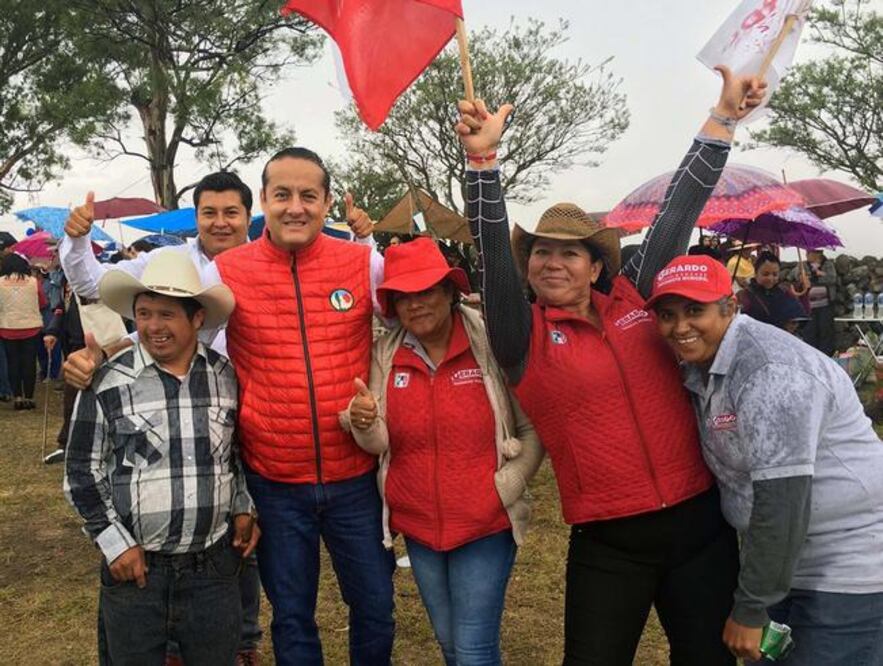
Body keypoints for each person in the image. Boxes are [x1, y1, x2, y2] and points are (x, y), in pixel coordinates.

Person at [457, 65, 766, 665]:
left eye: (569, 253)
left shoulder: (637, 297)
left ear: (597, 267)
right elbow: (492, 253)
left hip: (699, 527)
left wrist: (723, 119)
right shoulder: (522, 338)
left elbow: (678, 211)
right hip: (608, 541)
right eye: (541, 252)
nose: (552, 262)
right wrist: (483, 167)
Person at [60, 171, 267, 665]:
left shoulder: (226, 372)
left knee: (224, 634)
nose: (153, 325)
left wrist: (244, 503)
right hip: (139, 560)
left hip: (213, 550)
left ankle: (245, 643)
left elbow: (236, 452)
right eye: (145, 314)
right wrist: (77, 239)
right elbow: (82, 472)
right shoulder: (113, 378)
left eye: (230, 212)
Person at [646, 254, 883, 665]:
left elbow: (783, 499)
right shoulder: (706, 366)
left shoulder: (769, 369)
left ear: (731, 305)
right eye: (667, 314)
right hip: (786, 567)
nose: (680, 326)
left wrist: (751, 607)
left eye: (694, 310)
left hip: (849, 568)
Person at [345, 237, 544, 665]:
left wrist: (506, 485)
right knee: (451, 645)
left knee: (472, 651)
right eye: (403, 296)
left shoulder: (490, 344)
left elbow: (531, 428)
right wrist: (362, 422)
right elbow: (379, 443)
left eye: (426, 291)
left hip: (483, 524)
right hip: (418, 525)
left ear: (450, 292)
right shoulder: (385, 353)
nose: (415, 304)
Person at [43, 277, 86, 464]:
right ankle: (66, 444)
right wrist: (51, 331)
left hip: (95, 348)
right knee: (71, 399)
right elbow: (60, 311)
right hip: (75, 349)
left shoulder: (92, 287)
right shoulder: (65, 286)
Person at [0, 252, 49, 409]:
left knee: (12, 363)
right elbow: (43, 302)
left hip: (7, 328)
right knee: (29, 363)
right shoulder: (34, 282)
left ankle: (17, 397)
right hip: (31, 328)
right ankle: (29, 397)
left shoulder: (0, 282)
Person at [737, 252, 807, 333]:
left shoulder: (785, 292)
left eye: (775, 274)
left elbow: (804, 314)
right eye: (765, 274)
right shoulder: (744, 296)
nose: (770, 278)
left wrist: (805, 293)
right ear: (756, 274)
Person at [801, 249, 837, 355]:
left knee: (825, 330)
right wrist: (804, 277)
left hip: (825, 304)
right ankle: (811, 354)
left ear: (818, 254)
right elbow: (795, 277)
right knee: (810, 331)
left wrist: (819, 275)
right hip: (809, 305)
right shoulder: (803, 265)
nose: (806, 254)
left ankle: (826, 355)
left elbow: (832, 278)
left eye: (809, 253)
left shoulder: (828, 264)